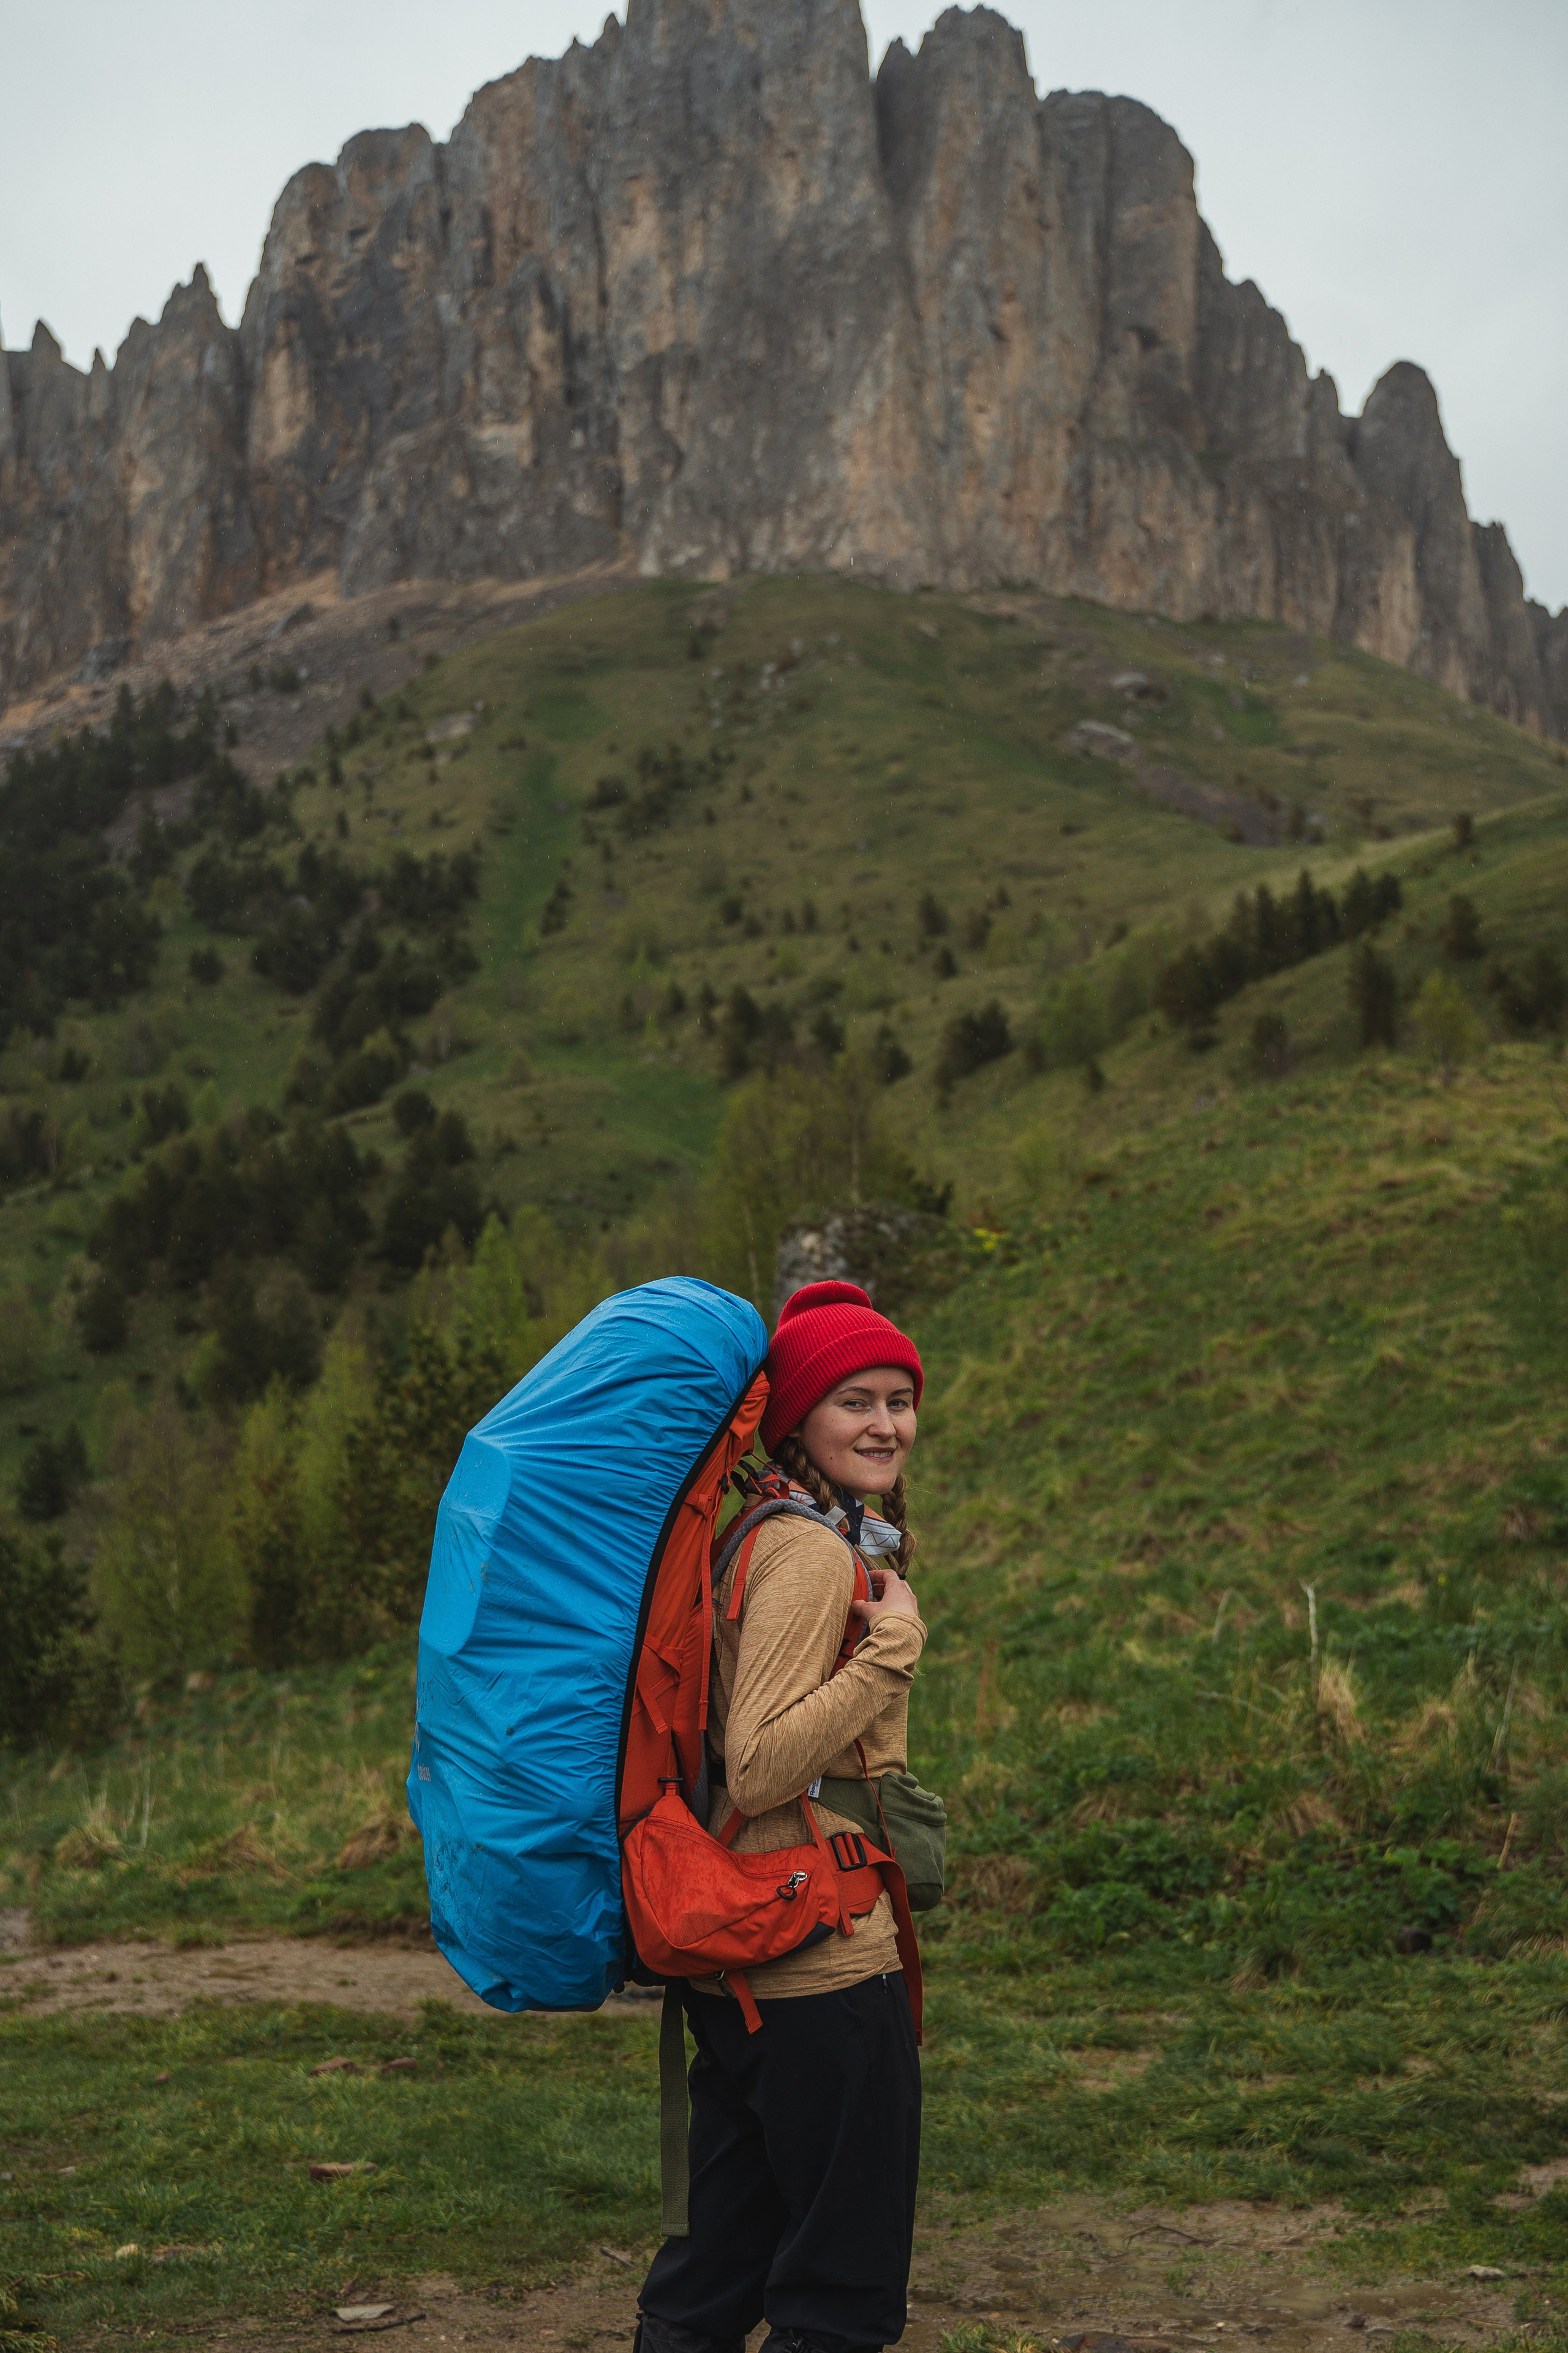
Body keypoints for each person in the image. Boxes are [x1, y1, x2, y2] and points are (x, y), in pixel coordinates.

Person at [635, 1280, 930, 2353]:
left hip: (746, 1963)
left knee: (708, 2278)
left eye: (900, 1398)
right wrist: (893, 1649)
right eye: (856, 1400)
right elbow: (759, 1763)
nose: (886, 1423)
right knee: (837, 2298)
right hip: (822, 1966)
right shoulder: (808, 1552)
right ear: (798, 1415)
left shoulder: (754, 1531)